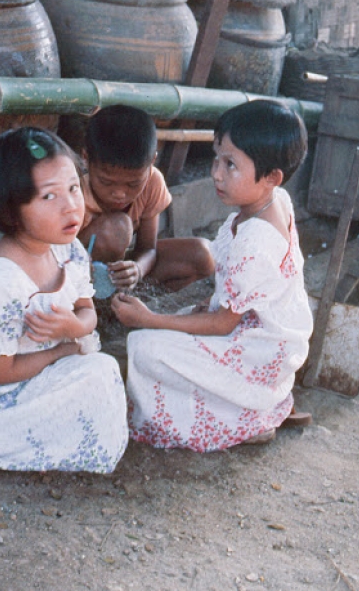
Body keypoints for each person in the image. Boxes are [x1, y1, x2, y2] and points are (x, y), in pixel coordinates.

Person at [111, 100, 314, 452]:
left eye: (231, 165)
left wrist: (149, 317)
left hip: (256, 354)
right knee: (165, 327)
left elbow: (223, 324)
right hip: (265, 339)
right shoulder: (274, 200)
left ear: (271, 178)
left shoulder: (257, 239)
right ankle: (250, 403)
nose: (216, 173)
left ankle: (243, 416)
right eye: (217, 158)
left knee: (143, 345)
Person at [0, 127, 128, 472]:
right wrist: (61, 351)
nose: (70, 206)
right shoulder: (1, 282)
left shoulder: (67, 249)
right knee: (100, 373)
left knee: (101, 373)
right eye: (49, 197)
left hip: (48, 367)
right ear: (10, 210)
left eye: (74, 188)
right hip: (2, 397)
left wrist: (75, 326)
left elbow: (88, 313)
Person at [78, 105, 214, 293]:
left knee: (204, 254)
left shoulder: (153, 180)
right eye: (106, 182)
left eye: (133, 184)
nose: (120, 193)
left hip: (120, 273)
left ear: (152, 162)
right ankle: (97, 303)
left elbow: (148, 249)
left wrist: (137, 270)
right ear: (86, 158)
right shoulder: (74, 191)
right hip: (78, 274)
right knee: (118, 227)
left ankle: (121, 300)